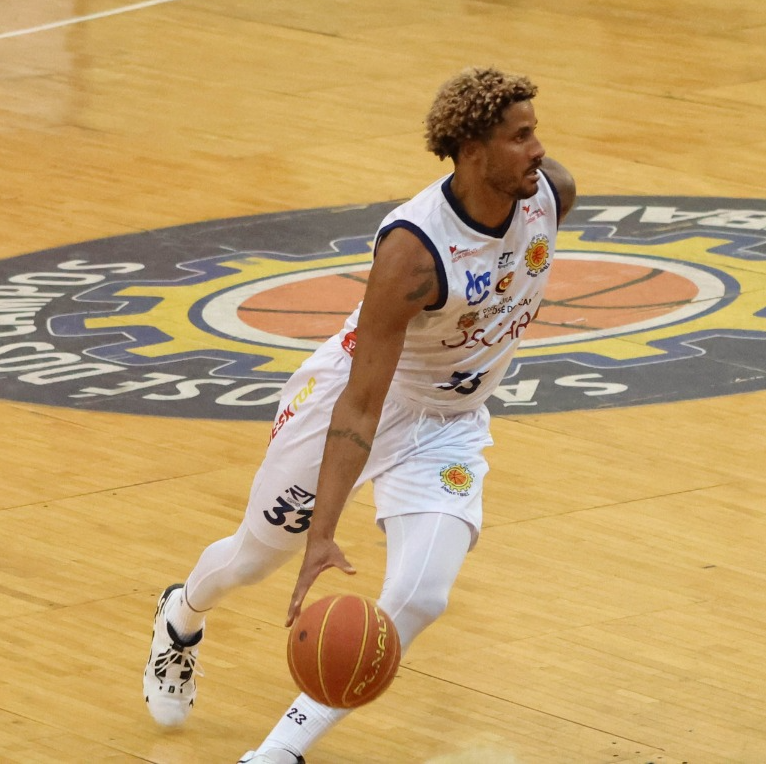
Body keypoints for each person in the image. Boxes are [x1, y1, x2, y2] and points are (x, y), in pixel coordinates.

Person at [142, 66, 577, 764]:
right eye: (520, 137)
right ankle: (181, 613)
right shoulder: (412, 253)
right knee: (256, 559)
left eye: (536, 134)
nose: (540, 151)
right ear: (472, 152)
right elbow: (362, 401)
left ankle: (276, 754)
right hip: (357, 403)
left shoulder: (551, 194)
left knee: (421, 595)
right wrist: (323, 535)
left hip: (450, 422)